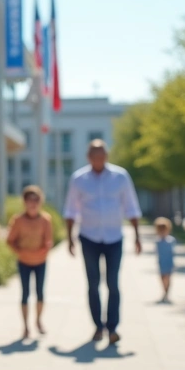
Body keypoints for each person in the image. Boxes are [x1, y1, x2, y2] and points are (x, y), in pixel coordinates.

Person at [64, 139, 142, 345]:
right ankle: (98, 326)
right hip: (89, 237)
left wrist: (137, 236)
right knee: (93, 284)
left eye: (102, 156)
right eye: (95, 156)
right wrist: (69, 238)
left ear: (106, 156)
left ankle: (113, 327)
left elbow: (131, 207)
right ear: (89, 158)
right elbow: (71, 210)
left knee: (113, 284)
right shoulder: (79, 179)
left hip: (114, 237)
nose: (99, 160)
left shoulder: (120, 177)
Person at [6, 185, 53, 339]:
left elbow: (48, 241)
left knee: (40, 293)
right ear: (24, 202)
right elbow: (10, 241)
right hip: (24, 262)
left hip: (41, 261)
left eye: (36, 200)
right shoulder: (18, 220)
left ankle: (38, 320)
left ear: (40, 202)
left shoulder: (45, 219)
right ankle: (26, 327)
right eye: (30, 200)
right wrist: (21, 252)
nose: (33, 203)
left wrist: (43, 251)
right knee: (25, 293)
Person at [154, 217, 176, 302]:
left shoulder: (171, 240)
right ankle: (164, 291)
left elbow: (173, 252)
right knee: (162, 278)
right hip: (161, 262)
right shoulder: (157, 241)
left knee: (168, 278)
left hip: (169, 262)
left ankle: (167, 293)